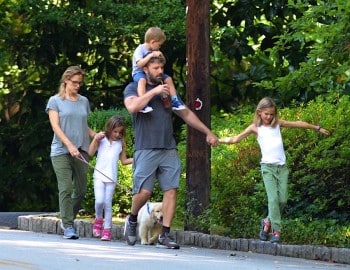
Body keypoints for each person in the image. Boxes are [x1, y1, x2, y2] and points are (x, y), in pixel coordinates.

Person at [123, 55, 219, 249]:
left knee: (171, 190)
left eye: (161, 68)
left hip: (168, 148)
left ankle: (164, 235)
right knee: (144, 192)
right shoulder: (134, 87)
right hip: (146, 148)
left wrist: (207, 132)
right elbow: (133, 106)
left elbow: (185, 112)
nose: (160, 71)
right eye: (156, 68)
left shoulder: (168, 90)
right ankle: (132, 219)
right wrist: (154, 92)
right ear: (146, 69)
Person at [218, 97, 330, 243]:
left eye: (272, 114)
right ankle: (276, 231)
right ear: (259, 113)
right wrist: (218, 140)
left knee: (282, 200)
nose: (269, 117)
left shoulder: (277, 124)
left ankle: (267, 222)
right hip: (267, 168)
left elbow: (298, 124)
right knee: (273, 199)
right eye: (266, 114)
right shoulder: (255, 128)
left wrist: (317, 128)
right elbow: (235, 139)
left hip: (282, 168)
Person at [46, 66, 96, 239]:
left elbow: (82, 124)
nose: (77, 86)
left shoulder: (84, 101)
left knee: (81, 191)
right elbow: (55, 126)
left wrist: (95, 135)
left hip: (82, 149)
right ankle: (68, 225)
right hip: (61, 151)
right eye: (74, 82)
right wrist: (69, 145)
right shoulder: (55, 101)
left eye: (80, 83)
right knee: (66, 188)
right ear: (66, 81)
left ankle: (67, 218)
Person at [88, 116, 133, 241]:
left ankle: (107, 230)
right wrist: (95, 139)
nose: (117, 134)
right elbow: (90, 153)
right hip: (99, 175)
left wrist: (137, 159)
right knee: (99, 201)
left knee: (108, 204)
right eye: (115, 131)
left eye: (120, 132)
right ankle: (98, 219)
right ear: (109, 129)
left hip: (111, 177)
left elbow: (124, 161)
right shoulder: (101, 139)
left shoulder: (121, 144)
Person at [132, 26, 185, 113]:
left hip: (153, 72)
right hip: (139, 72)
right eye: (159, 45)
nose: (159, 47)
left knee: (168, 79)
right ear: (152, 42)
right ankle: (143, 104)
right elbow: (140, 64)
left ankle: (175, 101)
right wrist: (151, 55)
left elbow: (163, 62)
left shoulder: (156, 50)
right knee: (142, 80)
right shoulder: (140, 50)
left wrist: (161, 55)